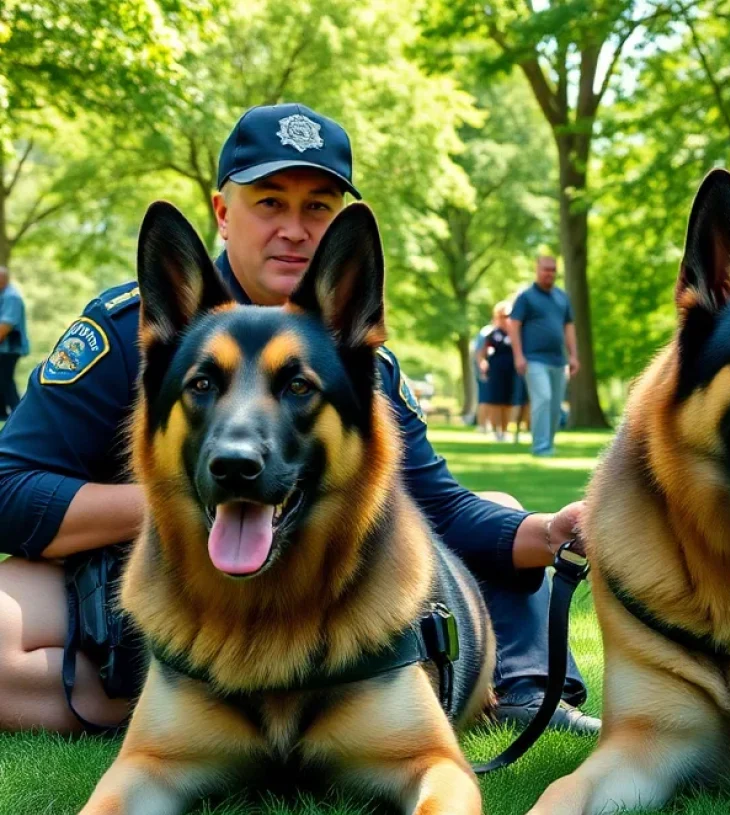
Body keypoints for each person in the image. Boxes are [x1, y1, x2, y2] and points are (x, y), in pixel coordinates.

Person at [0, 103, 598, 736]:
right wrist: (203, 497)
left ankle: (527, 695)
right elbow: (11, 487)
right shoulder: (136, 329)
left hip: (310, 594)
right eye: (270, 203)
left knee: (503, 505)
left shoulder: (359, 363)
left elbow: (439, 508)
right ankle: (197, 709)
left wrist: (550, 529)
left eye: (317, 207)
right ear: (223, 213)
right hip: (132, 583)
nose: (295, 228)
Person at [508, 256, 579, 457]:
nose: (549, 273)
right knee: (543, 399)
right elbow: (514, 326)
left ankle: (549, 443)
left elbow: (569, 327)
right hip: (534, 359)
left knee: (556, 405)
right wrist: (518, 356)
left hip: (558, 360)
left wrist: (574, 356)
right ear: (537, 270)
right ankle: (540, 446)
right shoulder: (526, 297)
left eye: (553, 269)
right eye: (546, 269)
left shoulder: (562, 297)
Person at [475, 301, 524, 442]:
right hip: (496, 370)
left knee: (508, 402)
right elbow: (481, 352)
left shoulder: (515, 334)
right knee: (496, 402)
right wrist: (482, 363)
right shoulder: (491, 333)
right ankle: (497, 431)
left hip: (512, 370)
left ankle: (505, 430)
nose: (506, 318)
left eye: (508, 315)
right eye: (503, 316)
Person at [0, 266, 30, 421]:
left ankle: (18, 414)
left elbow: (6, 325)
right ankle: (3, 414)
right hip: (3, 348)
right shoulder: (3, 295)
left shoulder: (11, 297)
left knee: (5, 379)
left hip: (10, 347)